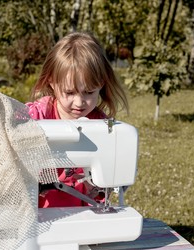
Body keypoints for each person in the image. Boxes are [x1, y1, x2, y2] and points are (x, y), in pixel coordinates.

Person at [26, 31, 129, 208]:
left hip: (82, 213)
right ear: (51, 81)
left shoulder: (102, 126)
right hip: (38, 216)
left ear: (101, 84)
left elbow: (103, 185)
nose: (80, 102)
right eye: (69, 92)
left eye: (89, 92)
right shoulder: (35, 117)